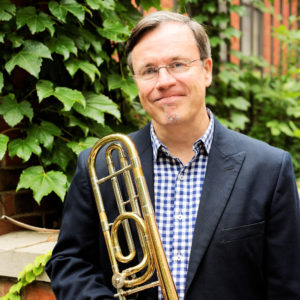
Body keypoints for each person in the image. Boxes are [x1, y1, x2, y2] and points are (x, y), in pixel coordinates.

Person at [46, 11, 300, 300]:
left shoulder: (269, 168)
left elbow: (288, 285)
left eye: (178, 64)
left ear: (207, 70)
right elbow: (69, 263)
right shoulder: (103, 164)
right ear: (136, 81)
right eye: (149, 70)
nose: (164, 81)